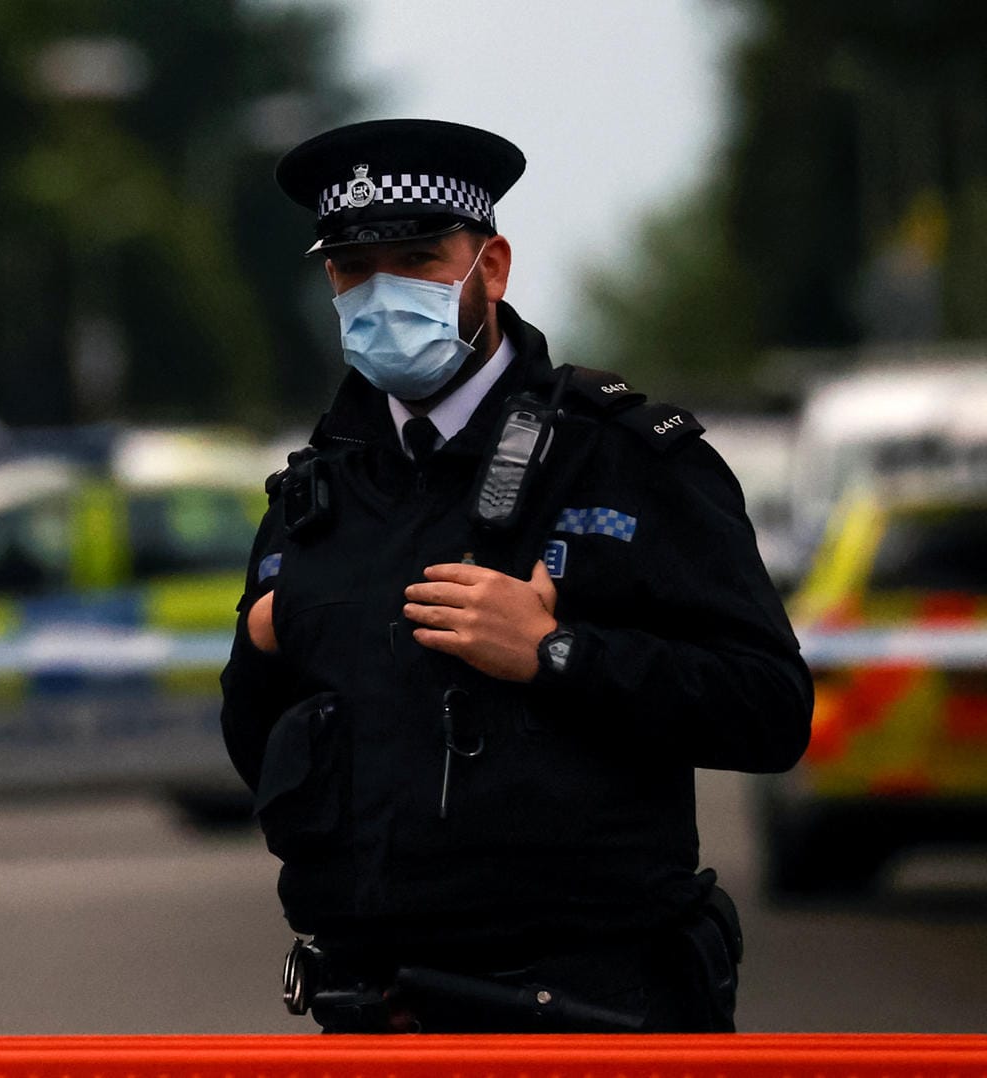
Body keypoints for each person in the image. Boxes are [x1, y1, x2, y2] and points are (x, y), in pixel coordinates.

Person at [219, 119, 813, 1034]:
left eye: (418, 258)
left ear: (489, 267)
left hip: (588, 1011)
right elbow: (264, 752)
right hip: (370, 1016)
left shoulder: (625, 460)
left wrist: (555, 654)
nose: (382, 292)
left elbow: (770, 710)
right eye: (352, 267)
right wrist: (263, 645)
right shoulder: (316, 492)